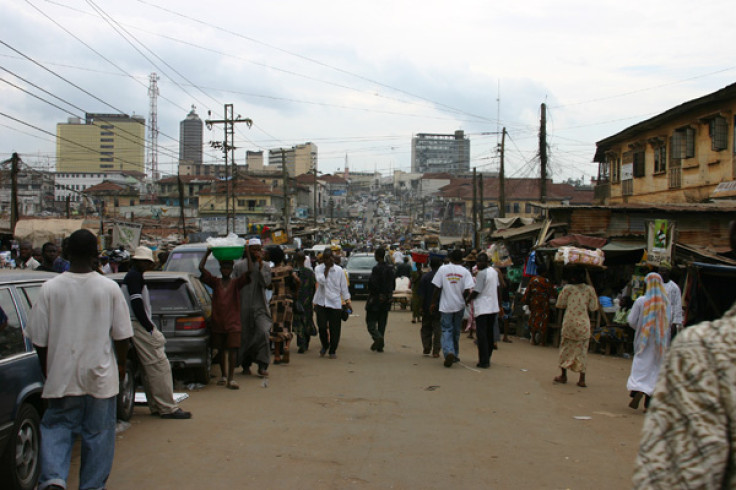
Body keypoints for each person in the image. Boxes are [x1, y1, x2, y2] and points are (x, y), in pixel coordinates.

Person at [26, 229, 133, 490]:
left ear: (66, 253)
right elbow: (122, 337)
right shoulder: (109, 288)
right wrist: (119, 366)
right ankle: (92, 486)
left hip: (62, 375)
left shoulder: (50, 288)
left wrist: (48, 369)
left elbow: (39, 340)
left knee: (57, 428)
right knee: (98, 436)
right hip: (100, 378)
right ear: (97, 255)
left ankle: (53, 479)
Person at [632, 221, 736, 488]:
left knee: (644, 368)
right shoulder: (671, 301)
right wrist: (676, 328)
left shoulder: (704, 349)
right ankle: (646, 395)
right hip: (663, 339)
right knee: (654, 370)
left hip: (648, 342)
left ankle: (640, 392)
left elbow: (670, 473)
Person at [123, 246, 192, 419]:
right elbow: (136, 303)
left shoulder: (133, 276)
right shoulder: (134, 277)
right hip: (137, 323)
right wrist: (148, 326)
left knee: (150, 367)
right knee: (159, 365)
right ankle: (167, 407)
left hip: (135, 322)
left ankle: (156, 404)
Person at [199, 249, 250, 389]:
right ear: (220, 269)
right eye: (224, 268)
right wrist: (208, 252)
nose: (226, 270)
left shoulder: (236, 283)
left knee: (233, 350)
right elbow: (201, 268)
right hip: (218, 321)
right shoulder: (215, 282)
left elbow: (250, 272)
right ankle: (224, 375)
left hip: (233, 322)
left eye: (228, 268)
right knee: (221, 350)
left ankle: (231, 378)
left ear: (232, 269)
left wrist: (247, 254)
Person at [626, 272, 671, 411]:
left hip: (643, 340)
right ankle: (648, 402)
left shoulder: (641, 301)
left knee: (640, 366)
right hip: (660, 343)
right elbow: (668, 323)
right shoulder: (666, 303)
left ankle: (638, 389)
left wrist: (640, 327)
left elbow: (631, 321)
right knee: (654, 370)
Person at [233, 238, 272, 377]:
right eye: (253, 249)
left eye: (258, 249)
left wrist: (260, 266)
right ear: (247, 250)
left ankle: (262, 365)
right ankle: (245, 365)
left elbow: (266, 283)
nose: (256, 252)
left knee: (263, 333)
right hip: (243, 307)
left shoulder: (265, 266)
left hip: (259, 307)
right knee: (245, 337)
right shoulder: (239, 266)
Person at [553, 267, 598, 387]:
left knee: (565, 348)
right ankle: (582, 378)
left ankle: (563, 375)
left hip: (569, 323)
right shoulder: (590, 290)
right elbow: (593, 307)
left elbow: (560, 304)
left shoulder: (568, 289)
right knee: (582, 351)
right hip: (583, 324)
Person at [431, 249, 475, 368]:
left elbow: (437, 288)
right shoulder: (465, 271)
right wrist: (464, 299)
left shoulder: (443, 269)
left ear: (450, 258)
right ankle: (454, 354)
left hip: (446, 306)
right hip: (459, 305)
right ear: (461, 259)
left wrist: (433, 302)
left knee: (446, 330)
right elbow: (468, 289)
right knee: (456, 331)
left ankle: (449, 352)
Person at [313, 248, 351, 359]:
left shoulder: (339, 270)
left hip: (335, 303)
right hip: (321, 302)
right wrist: (327, 269)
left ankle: (333, 350)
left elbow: (344, 288)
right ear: (323, 259)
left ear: (333, 258)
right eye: (325, 258)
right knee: (322, 327)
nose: (328, 260)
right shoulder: (318, 269)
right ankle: (325, 345)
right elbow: (321, 281)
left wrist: (347, 301)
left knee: (335, 329)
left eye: (330, 257)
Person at [467, 252, 501, 368]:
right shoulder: (494, 272)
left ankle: (484, 360)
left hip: (483, 308)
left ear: (486, 262)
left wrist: (468, 300)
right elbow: (497, 288)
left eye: (480, 261)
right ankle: (488, 357)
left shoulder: (481, 274)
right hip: (493, 307)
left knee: (482, 336)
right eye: (477, 261)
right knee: (489, 334)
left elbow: (477, 291)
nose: (478, 263)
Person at [267, 245, 300, 365]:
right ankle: (286, 346)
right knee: (287, 325)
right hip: (288, 300)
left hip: (275, 301)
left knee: (276, 327)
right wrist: (295, 293)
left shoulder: (270, 272)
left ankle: (276, 355)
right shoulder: (288, 269)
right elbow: (297, 281)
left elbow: (268, 286)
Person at [365, 247, 395, 352]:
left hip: (376, 299)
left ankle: (378, 338)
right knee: (382, 323)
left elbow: (373, 284)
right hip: (387, 299)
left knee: (370, 323)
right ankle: (380, 346)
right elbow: (393, 284)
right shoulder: (390, 268)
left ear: (377, 256)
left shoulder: (376, 269)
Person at [521, 265, 556, 346]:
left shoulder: (533, 279)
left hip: (534, 302)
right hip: (543, 303)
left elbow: (528, 291)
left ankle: (533, 339)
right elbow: (552, 292)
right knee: (543, 320)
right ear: (544, 272)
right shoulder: (546, 281)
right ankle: (542, 341)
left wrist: (526, 301)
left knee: (533, 319)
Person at [419, 257, 442, 357]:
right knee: (438, 329)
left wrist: (420, 307)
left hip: (427, 306)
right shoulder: (442, 277)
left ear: (430, 266)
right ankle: (436, 350)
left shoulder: (425, 277)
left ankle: (426, 346)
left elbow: (421, 294)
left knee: (426, 328)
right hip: (439, 307)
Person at [293, 251, 316, 353]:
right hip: (307, 301)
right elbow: (313, 287)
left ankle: (301, 343)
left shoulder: (293, 272)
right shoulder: (310, 272)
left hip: (296, 301)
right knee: (307, 320)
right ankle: (305, 342)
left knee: (298, 322)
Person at [658, 263, 682, 340]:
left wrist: (675, 323)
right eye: (660, 271)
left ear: (668, 272)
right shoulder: (656, 285)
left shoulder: (674, 287)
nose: (661, 273)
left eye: (663, 271)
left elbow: (677, 305)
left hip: (668, 319)